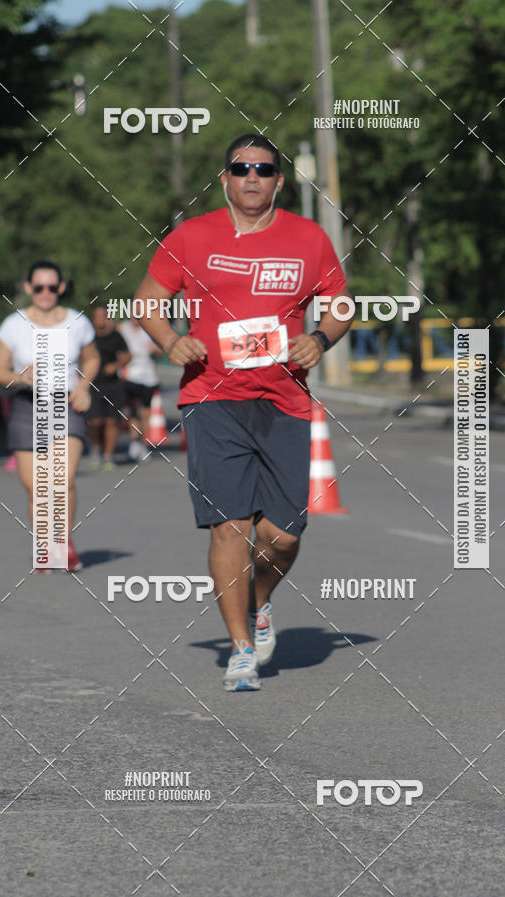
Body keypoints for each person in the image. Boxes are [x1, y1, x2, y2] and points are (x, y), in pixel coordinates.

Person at [133, 134, 354, 691]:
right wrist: (171, 341)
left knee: (283, 536)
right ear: (225, 179)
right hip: (211, 398)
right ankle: (241, 649)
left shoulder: (309, 238)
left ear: (279, 180)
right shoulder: (192, 235)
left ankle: (258, 601)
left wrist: (320, 339)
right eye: (241, 168)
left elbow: (340, 305)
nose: (252, 177)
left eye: (263, 169)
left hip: (285, 400)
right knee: (229, 526)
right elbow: (148, 302)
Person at [0, 260, 100, 572]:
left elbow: (92, 358)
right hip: (27, 406)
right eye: (39, 287)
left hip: (66, 404)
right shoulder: (13, 325)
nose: (46, 292)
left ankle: (63, 543)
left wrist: (84, 386)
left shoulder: (78, 322)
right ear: (28, 288)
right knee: (37, 486)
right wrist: (19, 377)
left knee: (62, 479)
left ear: (61, 287)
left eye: (52, 286)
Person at [88, 306, 131, 469]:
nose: (100, 319)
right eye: (97, 316)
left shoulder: (116, 336)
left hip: (113, 384)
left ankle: (108, 455)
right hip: (93, 384)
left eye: (103, 316)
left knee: (112, 421)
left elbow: (127, 355)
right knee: (95, 421)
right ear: (93, 319)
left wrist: (116, 365)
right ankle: (96, 448)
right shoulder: (88, 336)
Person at [118, 313, 162, 460]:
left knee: (145, 414)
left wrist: (155, 349)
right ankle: (134, 442)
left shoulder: (150, 328)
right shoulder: (122, 328)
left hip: (148, 377)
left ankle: (142, 444)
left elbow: (161, 351)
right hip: (129, 376)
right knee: (132, 411)